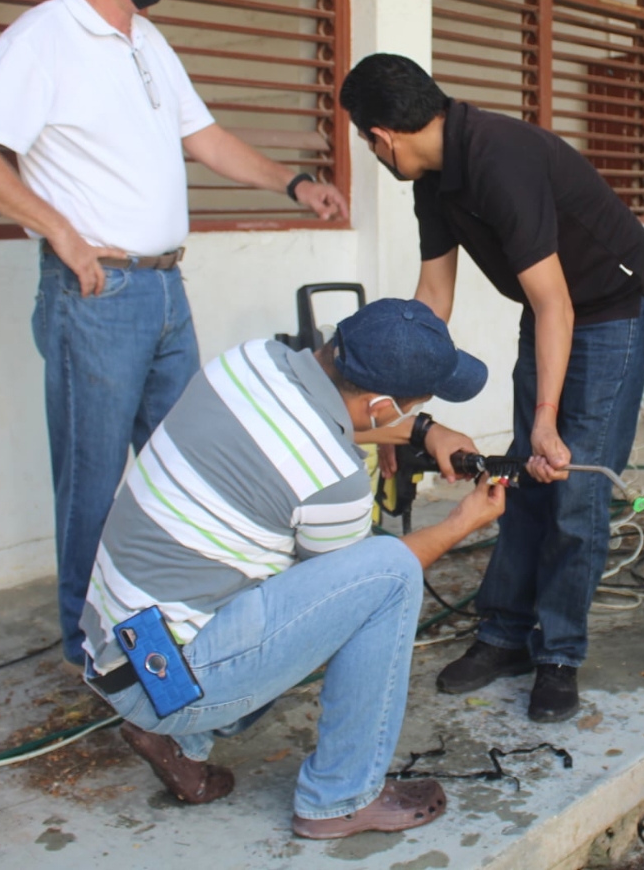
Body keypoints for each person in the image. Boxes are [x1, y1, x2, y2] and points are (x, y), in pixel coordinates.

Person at [0, 0, 349, 666]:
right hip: (99, 298)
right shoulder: (42, 39)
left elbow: (207, 138)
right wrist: (59, 230)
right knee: (93, 489)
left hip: (164, 291)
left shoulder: (144, 40)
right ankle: (92, 659)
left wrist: (293, 182)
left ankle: (179, 631)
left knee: (186, 470)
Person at [83, 298, 504, 839]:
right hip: (167, 683)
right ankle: (339, 798)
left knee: (288, 566)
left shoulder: (251, 360)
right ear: (380, 407)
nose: (406, 417)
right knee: (388, 576)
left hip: (119, 646)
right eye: (408, 407)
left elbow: (317, 422)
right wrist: (461, 523)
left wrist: (423, 430)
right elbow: (353, 589)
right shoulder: (334, 481)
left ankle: (179, 742)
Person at [338, 53, 644, 724]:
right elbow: (430, 306)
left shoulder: (498, 159)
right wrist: (397, 418)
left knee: (573, 486)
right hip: (553, 310)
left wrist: (546, 420)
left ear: (380, 136)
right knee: (519, 474)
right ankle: (504, 636)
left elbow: (558, 305)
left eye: (367, 142)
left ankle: (559, 655)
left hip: (610, 305)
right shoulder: (432, 178)